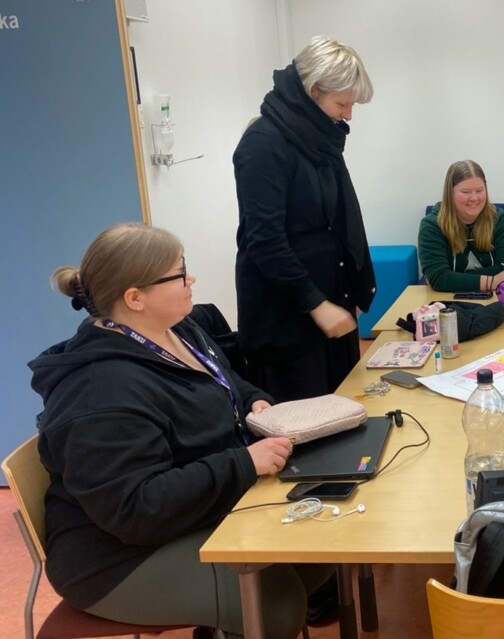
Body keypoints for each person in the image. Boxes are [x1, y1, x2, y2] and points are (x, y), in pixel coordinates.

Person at [29, 223, 330, 638]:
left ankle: (218, 624)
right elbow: (135, 509)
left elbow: (226, 382)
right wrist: (242, 463)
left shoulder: (180, 329)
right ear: (135, 298)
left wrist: (252, 402)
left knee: (321, 545)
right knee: (273, 604)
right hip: (117, 558)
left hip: (191, 510)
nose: (191, 280)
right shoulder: (100, 393)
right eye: (178, 274)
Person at [234, 35, 376, 403]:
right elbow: (264, 241)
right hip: (288, 322)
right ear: (313, 91)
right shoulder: (263, 143)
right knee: (306, 436)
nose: (348, 114)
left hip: (331, 306)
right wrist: (315, 303)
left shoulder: (320, 137)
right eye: (342, 103)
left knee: (347, 409)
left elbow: (343, 217)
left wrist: (358, 284)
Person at [418, 159, 504, 292]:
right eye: (465, 192)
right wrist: (492, 281)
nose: (474, 198)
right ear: (450, 193)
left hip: (495, 299)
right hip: (447, 303)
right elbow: (439, 279)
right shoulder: (431, 225)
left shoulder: (499, 218)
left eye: (479, 190)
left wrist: (451, 278)